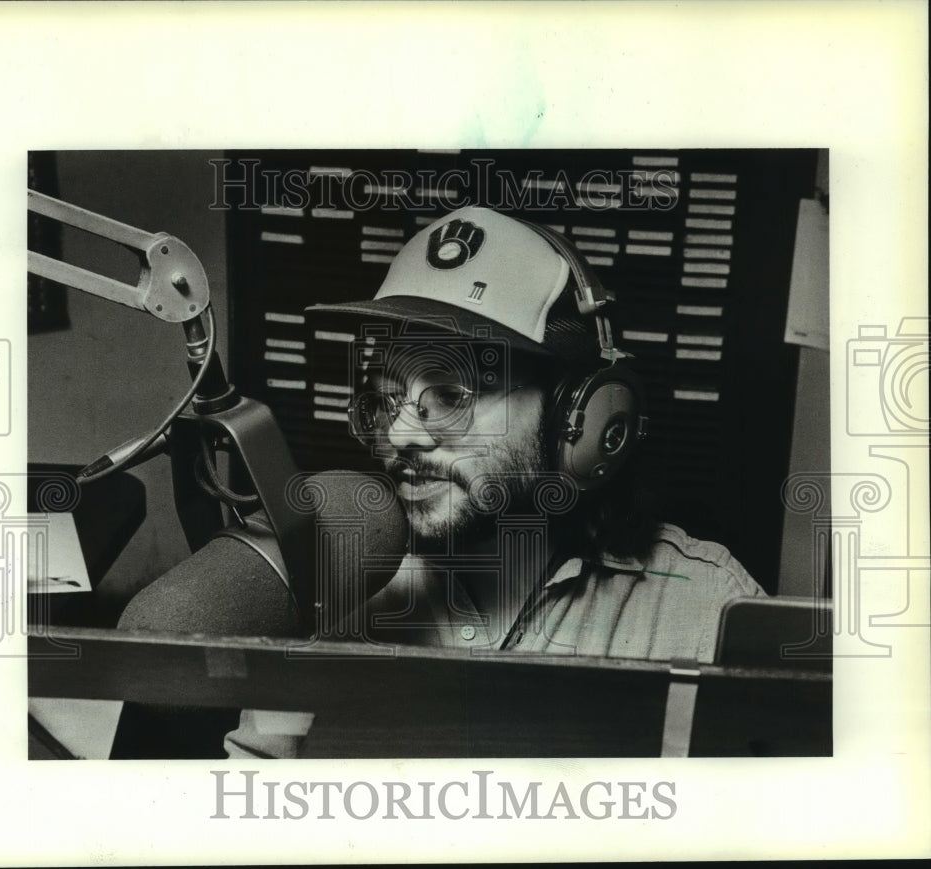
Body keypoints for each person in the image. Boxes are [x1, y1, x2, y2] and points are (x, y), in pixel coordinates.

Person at [221, 206, 765, 758]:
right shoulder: (332, 592)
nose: (400, 434)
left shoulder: (707, 612)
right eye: (386, 400)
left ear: (575, 417)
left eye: (451, 397)